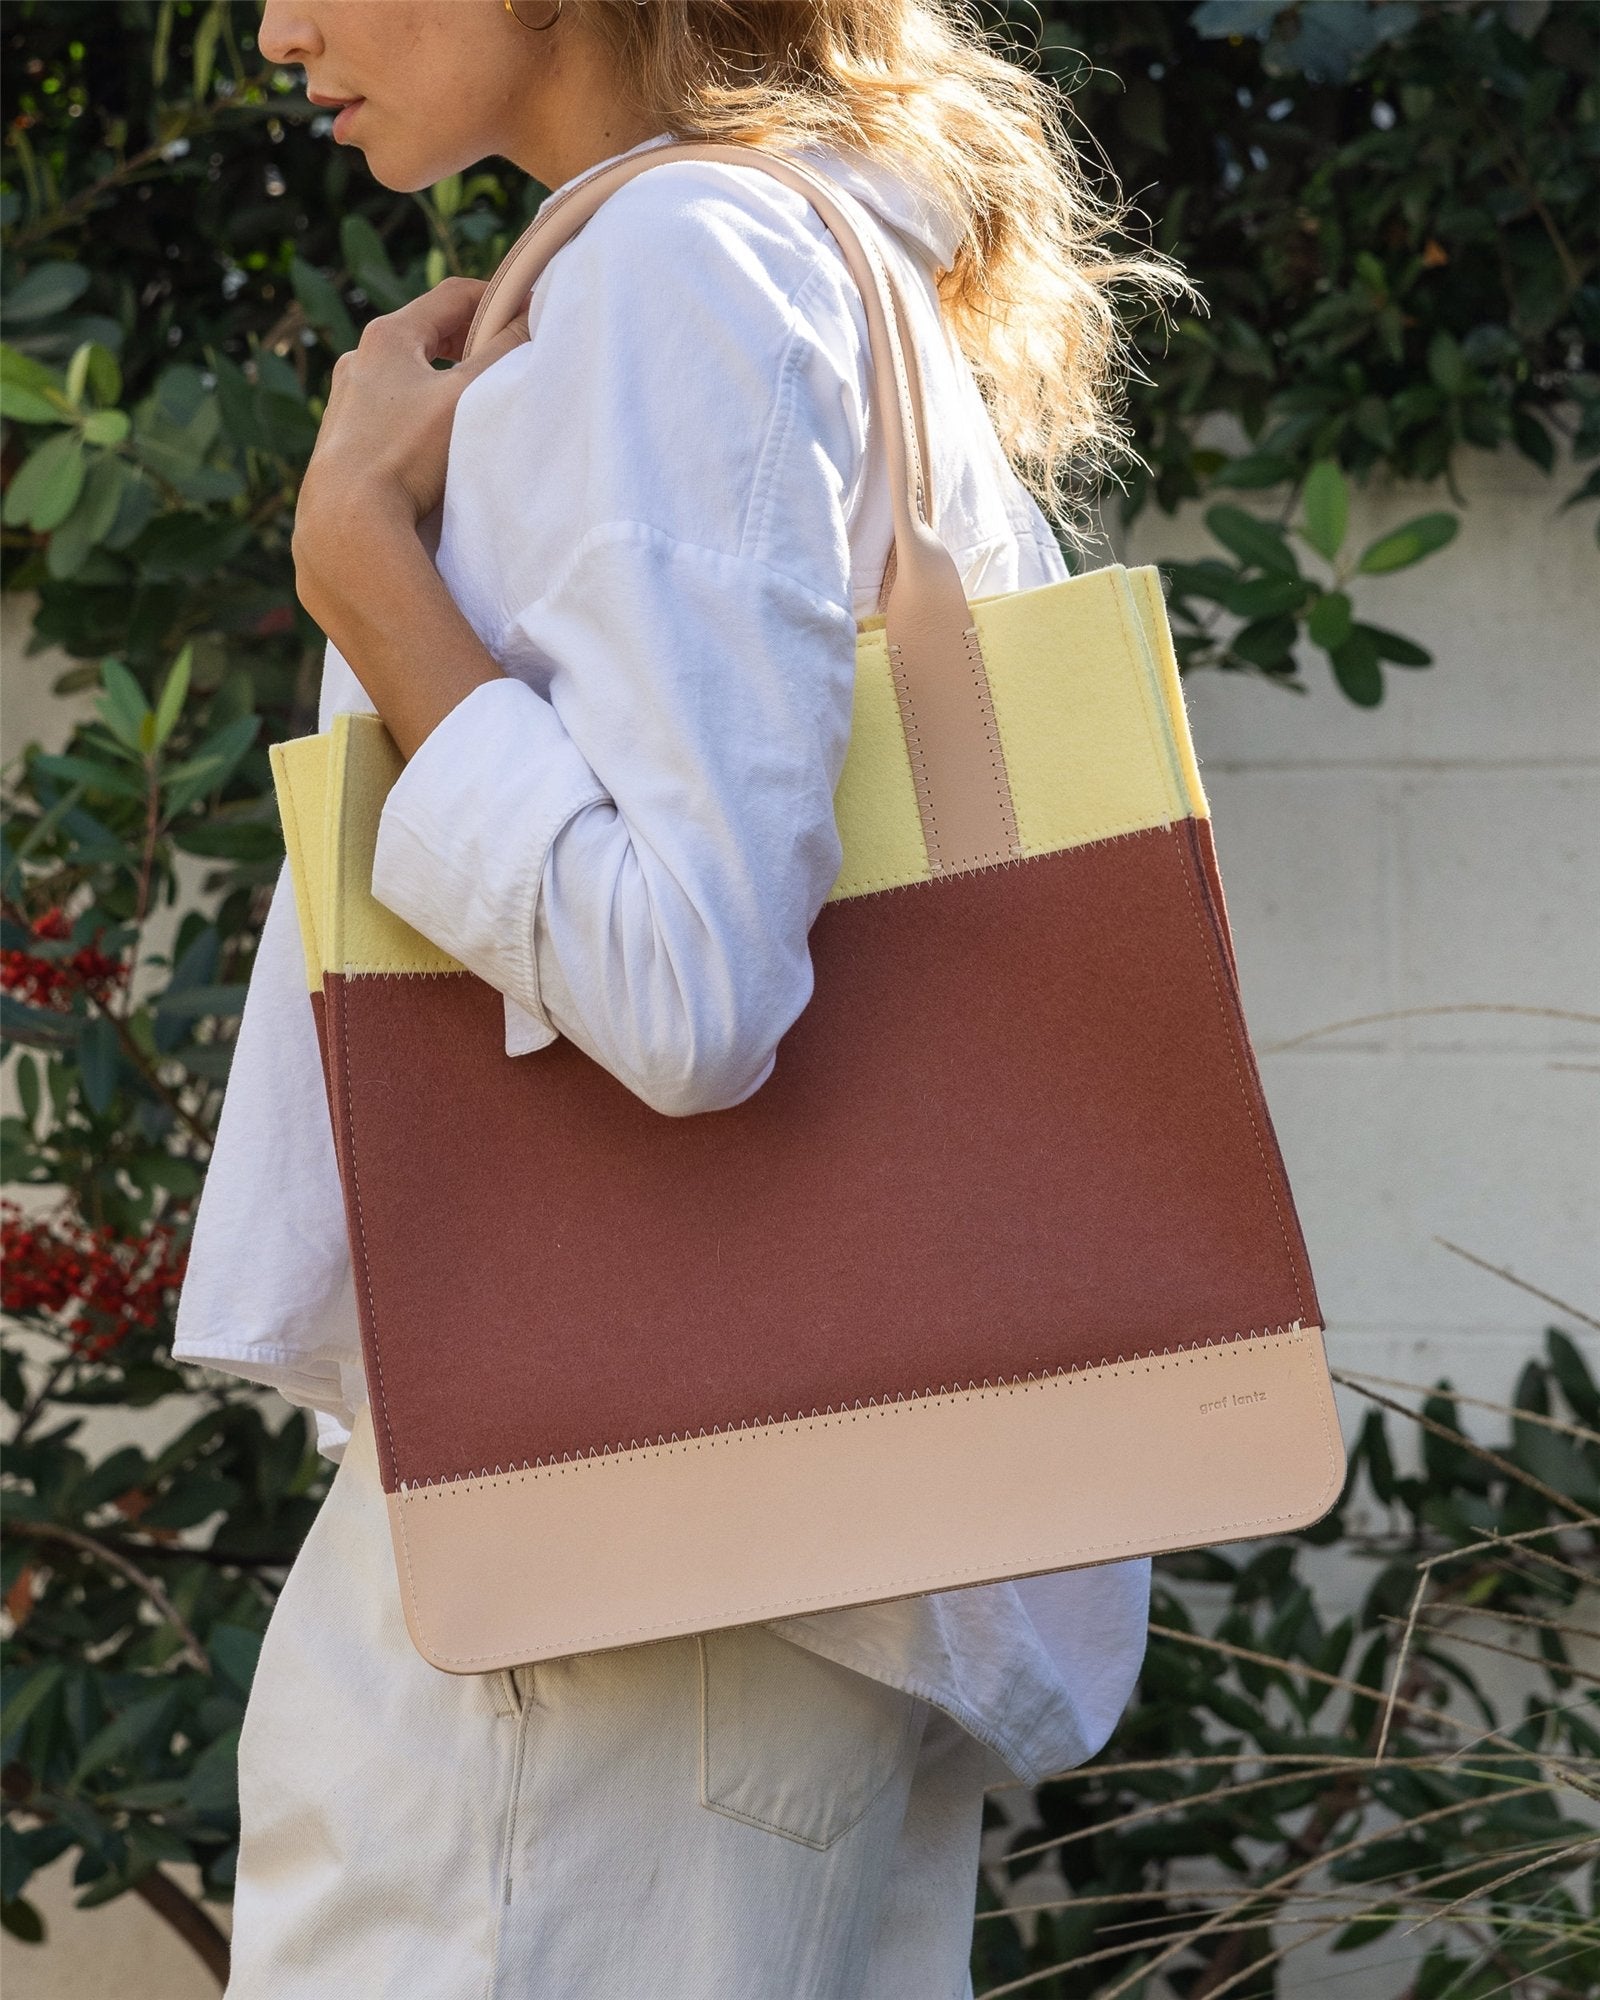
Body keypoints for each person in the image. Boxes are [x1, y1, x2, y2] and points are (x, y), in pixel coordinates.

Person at [172, 4, 1192, 1995]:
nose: (278, 25)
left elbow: (685, 980)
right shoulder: (806, 254)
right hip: (770, 1581)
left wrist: (361, 576)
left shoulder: (677, 265)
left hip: (624, 1593)